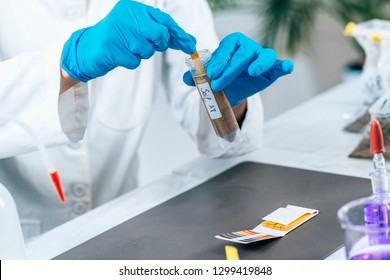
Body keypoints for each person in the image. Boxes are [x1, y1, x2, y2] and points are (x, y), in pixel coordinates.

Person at [0, 0, 293, 239]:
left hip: (120, 227)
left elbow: (203, 97)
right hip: (16, 240)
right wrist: (66, 66)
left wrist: (227, 98)